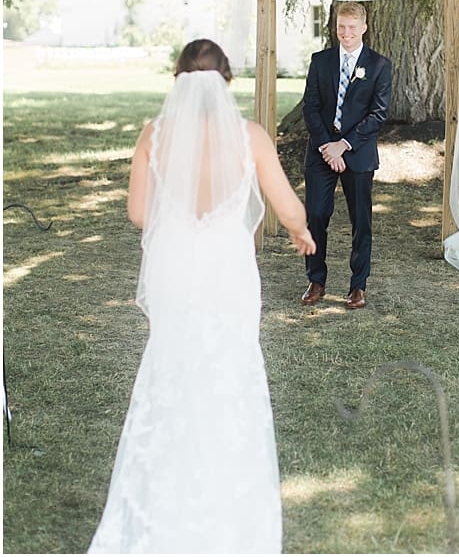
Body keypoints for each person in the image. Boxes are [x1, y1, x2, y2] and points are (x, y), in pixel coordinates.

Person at [90, 39, 315, 553]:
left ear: (178, 81)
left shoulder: (155, 135)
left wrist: (180, 217)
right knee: (229, 366)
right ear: (225, 83)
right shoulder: (250, 136)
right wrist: (302, 234)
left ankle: (164, 490)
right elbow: (288, 207)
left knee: (173, 365)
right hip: (226, 267)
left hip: (175, 265)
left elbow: (139, 215)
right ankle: (227, 498)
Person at [300, 1, 392, 310]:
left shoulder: (379, 65)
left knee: (361, 221)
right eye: (341, 27)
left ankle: (358, 286)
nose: (346, 33)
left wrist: (345, 145)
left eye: (352, 27)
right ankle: (316, 280)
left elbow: (378, 115)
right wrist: (328, 145)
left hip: (357, 153)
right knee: (315, 214)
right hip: (322, 152)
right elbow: (309, 107)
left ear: (364, 28)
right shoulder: (320, 61)